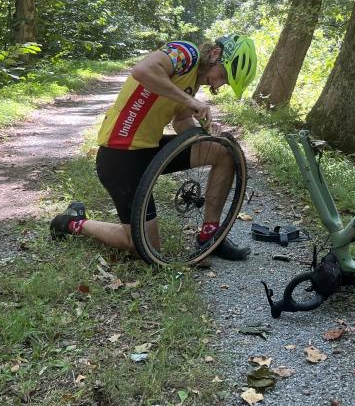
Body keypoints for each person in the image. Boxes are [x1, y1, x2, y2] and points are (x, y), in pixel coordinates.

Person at [49, 34, 257, 260]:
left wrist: (202, 131)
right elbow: (142, 70)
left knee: (223, 152)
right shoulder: (185, 53)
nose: (217, 84)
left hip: (150, 151)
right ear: (215, 54)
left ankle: (210, 236)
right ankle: (73, 222)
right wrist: (190, 101)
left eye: (223, 83)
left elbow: (180, 121)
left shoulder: (193, 81)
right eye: (223, 75)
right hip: (119, 155)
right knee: (145, 247)